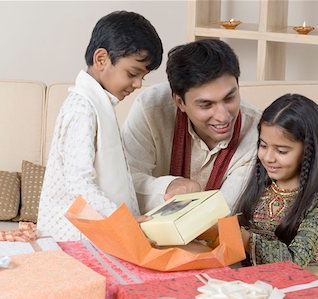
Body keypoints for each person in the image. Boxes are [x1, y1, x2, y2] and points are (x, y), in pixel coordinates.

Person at [37, 11, 163, 241]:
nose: (137, 84)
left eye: (142, 77)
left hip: (90, 235)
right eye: (133, 73)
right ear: (101, 59)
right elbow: (79, 183)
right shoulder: (82, 110)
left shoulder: (99, 105)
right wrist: (121, 219)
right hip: (73, 239)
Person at [122, 39, 261, 213]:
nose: (223, 116)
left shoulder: (258, 131)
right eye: (206, 105)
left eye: (229, 98)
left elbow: (226, 211)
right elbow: (125, 182)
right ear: (180, 102)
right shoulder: (151, 108)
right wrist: (169, 187)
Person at [234, 93, 318, 277]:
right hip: (254, 280)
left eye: (281, 150)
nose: (268, 158)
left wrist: (246, 240)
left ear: (309, 151)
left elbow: (296, 262)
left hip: (298, 283)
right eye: (263, 145)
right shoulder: (263, 184)